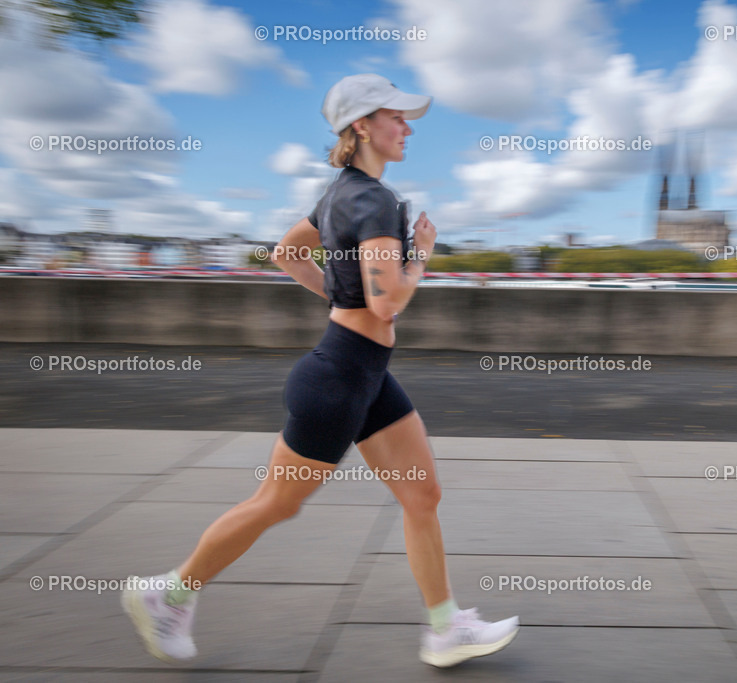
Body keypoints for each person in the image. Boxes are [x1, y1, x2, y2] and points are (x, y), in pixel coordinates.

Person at [121, 74, 519, 669]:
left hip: (365, 374)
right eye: (396, 118)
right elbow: (388, 302)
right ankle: (167, 595)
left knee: (421, 494)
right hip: (337, 382)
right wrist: (423, 254)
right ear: (362, 126)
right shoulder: (374, 200)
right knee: (276, 504)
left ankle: (444, 628)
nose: (408, 128)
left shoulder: (339, 194)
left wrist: (340, 302)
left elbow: (286, 253)